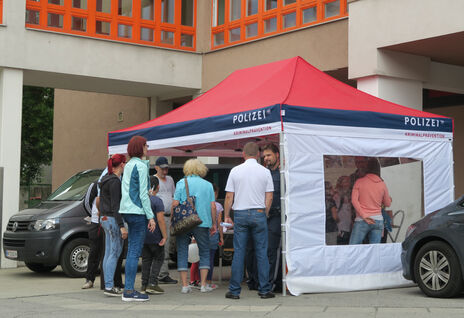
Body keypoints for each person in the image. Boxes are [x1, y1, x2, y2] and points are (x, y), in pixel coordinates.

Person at [224, 142, 275, 300]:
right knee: (261, 252)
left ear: (243, 154)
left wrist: (226, 215)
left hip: (240, 213)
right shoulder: (265, 172)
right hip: (259, 212)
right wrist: (264, 212)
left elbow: (228, 196)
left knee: (239, 252)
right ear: (258, 154)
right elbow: (270, 196)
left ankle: (234, 291)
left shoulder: (235, 171)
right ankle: (265, 290)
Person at [119, 136, 157, 302]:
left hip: (126, 210)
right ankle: (128, 291)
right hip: (137, 211)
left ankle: (128, 289)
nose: (147, 147)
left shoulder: (127, 166)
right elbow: (143, 194)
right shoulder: (141, 166)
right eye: (145, 145)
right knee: (135, 252)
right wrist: (151, 217)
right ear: (140, 147)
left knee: (131, 252)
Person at [172, 159, 217, 294]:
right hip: (202, 222)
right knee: (204, 251)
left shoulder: (181, 183)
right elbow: (213, 206)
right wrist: (214, 223)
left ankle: (185, 285)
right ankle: (203, 285)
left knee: (182, 251)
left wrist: (175, 221)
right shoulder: (208, 185)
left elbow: (175, 204)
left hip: (184, 221)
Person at [99, 154, 127, 296]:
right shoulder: (115, 181)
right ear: (122, 164)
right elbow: (116, 206)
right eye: (125, 163)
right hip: (112, 219)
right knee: (114, 253)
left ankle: (107, 285)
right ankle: (109, 287)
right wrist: (122, 225)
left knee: (108, 253)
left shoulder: (105, 179)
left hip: (104, 218)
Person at [349, 158, 392, 245]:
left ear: (367, 168)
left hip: (362, 219)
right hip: (378, 220)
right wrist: (389, 199)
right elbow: (388, 203)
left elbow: (354, 201)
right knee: (375, 250)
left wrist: (364, 216)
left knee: (353, 248)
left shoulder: (359, 182)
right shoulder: (382, 183)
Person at [141, 176, 168, 295]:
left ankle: (144, 285)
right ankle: (153, 283)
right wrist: (165, 236)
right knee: (158, 258)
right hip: (155, 235)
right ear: (158, 187)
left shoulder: (142, 199)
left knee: (146, 260)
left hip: (143, 235)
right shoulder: (157, 201)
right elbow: (160, 220)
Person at [154, 156, 178, 285]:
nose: (165, 171)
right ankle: (160, 274)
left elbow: (173, 196)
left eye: (166, 169)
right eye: (162, 169)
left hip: (168, 216)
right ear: (156, 168)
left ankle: (162, 273)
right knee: (160, 245)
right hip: (159, 216)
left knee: (166, 245)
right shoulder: (153, 180)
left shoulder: (170, 180)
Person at [262, 143, 282, 293]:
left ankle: (273, 283)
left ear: (277, 154)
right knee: (267, 249)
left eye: (269, 155)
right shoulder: (264, 173)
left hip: (279, 215)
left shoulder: (285, 172)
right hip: (266, 216)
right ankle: (266, 282)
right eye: (264, 156)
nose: (266, 158)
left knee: (273, 250)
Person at [333, 176, 353, 245]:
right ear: (340, 183)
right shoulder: (337, 195)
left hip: (347, 225)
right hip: (341, 226)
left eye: (349, 181)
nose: (348, 183)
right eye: (346, 181)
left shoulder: (349, 193)